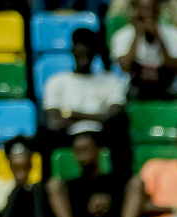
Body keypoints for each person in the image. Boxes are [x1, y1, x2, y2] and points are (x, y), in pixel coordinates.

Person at [42, 29, 130, 167]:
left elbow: (114, 117)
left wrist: (73, 114)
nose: (84, 53)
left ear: (95, 52)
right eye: (80, 49)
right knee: (46, 137)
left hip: (101, 137)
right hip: (68, 136)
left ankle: (119, 185)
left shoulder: (111, 81)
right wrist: (98, 117)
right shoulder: (56, 82)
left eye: (88, 49)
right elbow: (54, 122)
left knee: (120, 134)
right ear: (72, 51)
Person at [50, 133, 126, 217]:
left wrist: (109, 201)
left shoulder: (114, 181)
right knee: (53, 185)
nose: (82, 155)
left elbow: (122, 200)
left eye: (86, 149)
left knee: (136, 183)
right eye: (78, 151)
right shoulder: (71, 185)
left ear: (98, 150)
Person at [111, 0, 177, 100]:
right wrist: (137, 36)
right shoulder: (122, 35)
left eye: (152, 7)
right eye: (143, 8)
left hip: (167, 90)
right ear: (135, 9)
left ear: (158, 9)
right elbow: (125, 67)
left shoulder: (175, 34)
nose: (148, 13)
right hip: (134, 92)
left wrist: (158, 37)